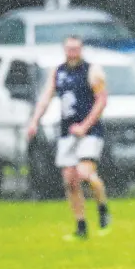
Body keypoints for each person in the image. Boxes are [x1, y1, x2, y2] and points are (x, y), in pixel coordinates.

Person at [26, 35, 111, 241]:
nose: (73, 52)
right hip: (66, 133)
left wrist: (84, 126)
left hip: (89, 132)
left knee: (84, 174)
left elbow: (101, 101)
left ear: (81, 49)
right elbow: (46, 97)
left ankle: (102, 206)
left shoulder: (92, 71)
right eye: (69, 49)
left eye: (76, 48)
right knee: (70, 181)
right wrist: (35, 120)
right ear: (64, 50)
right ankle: (81, 225)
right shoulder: (58, 71)